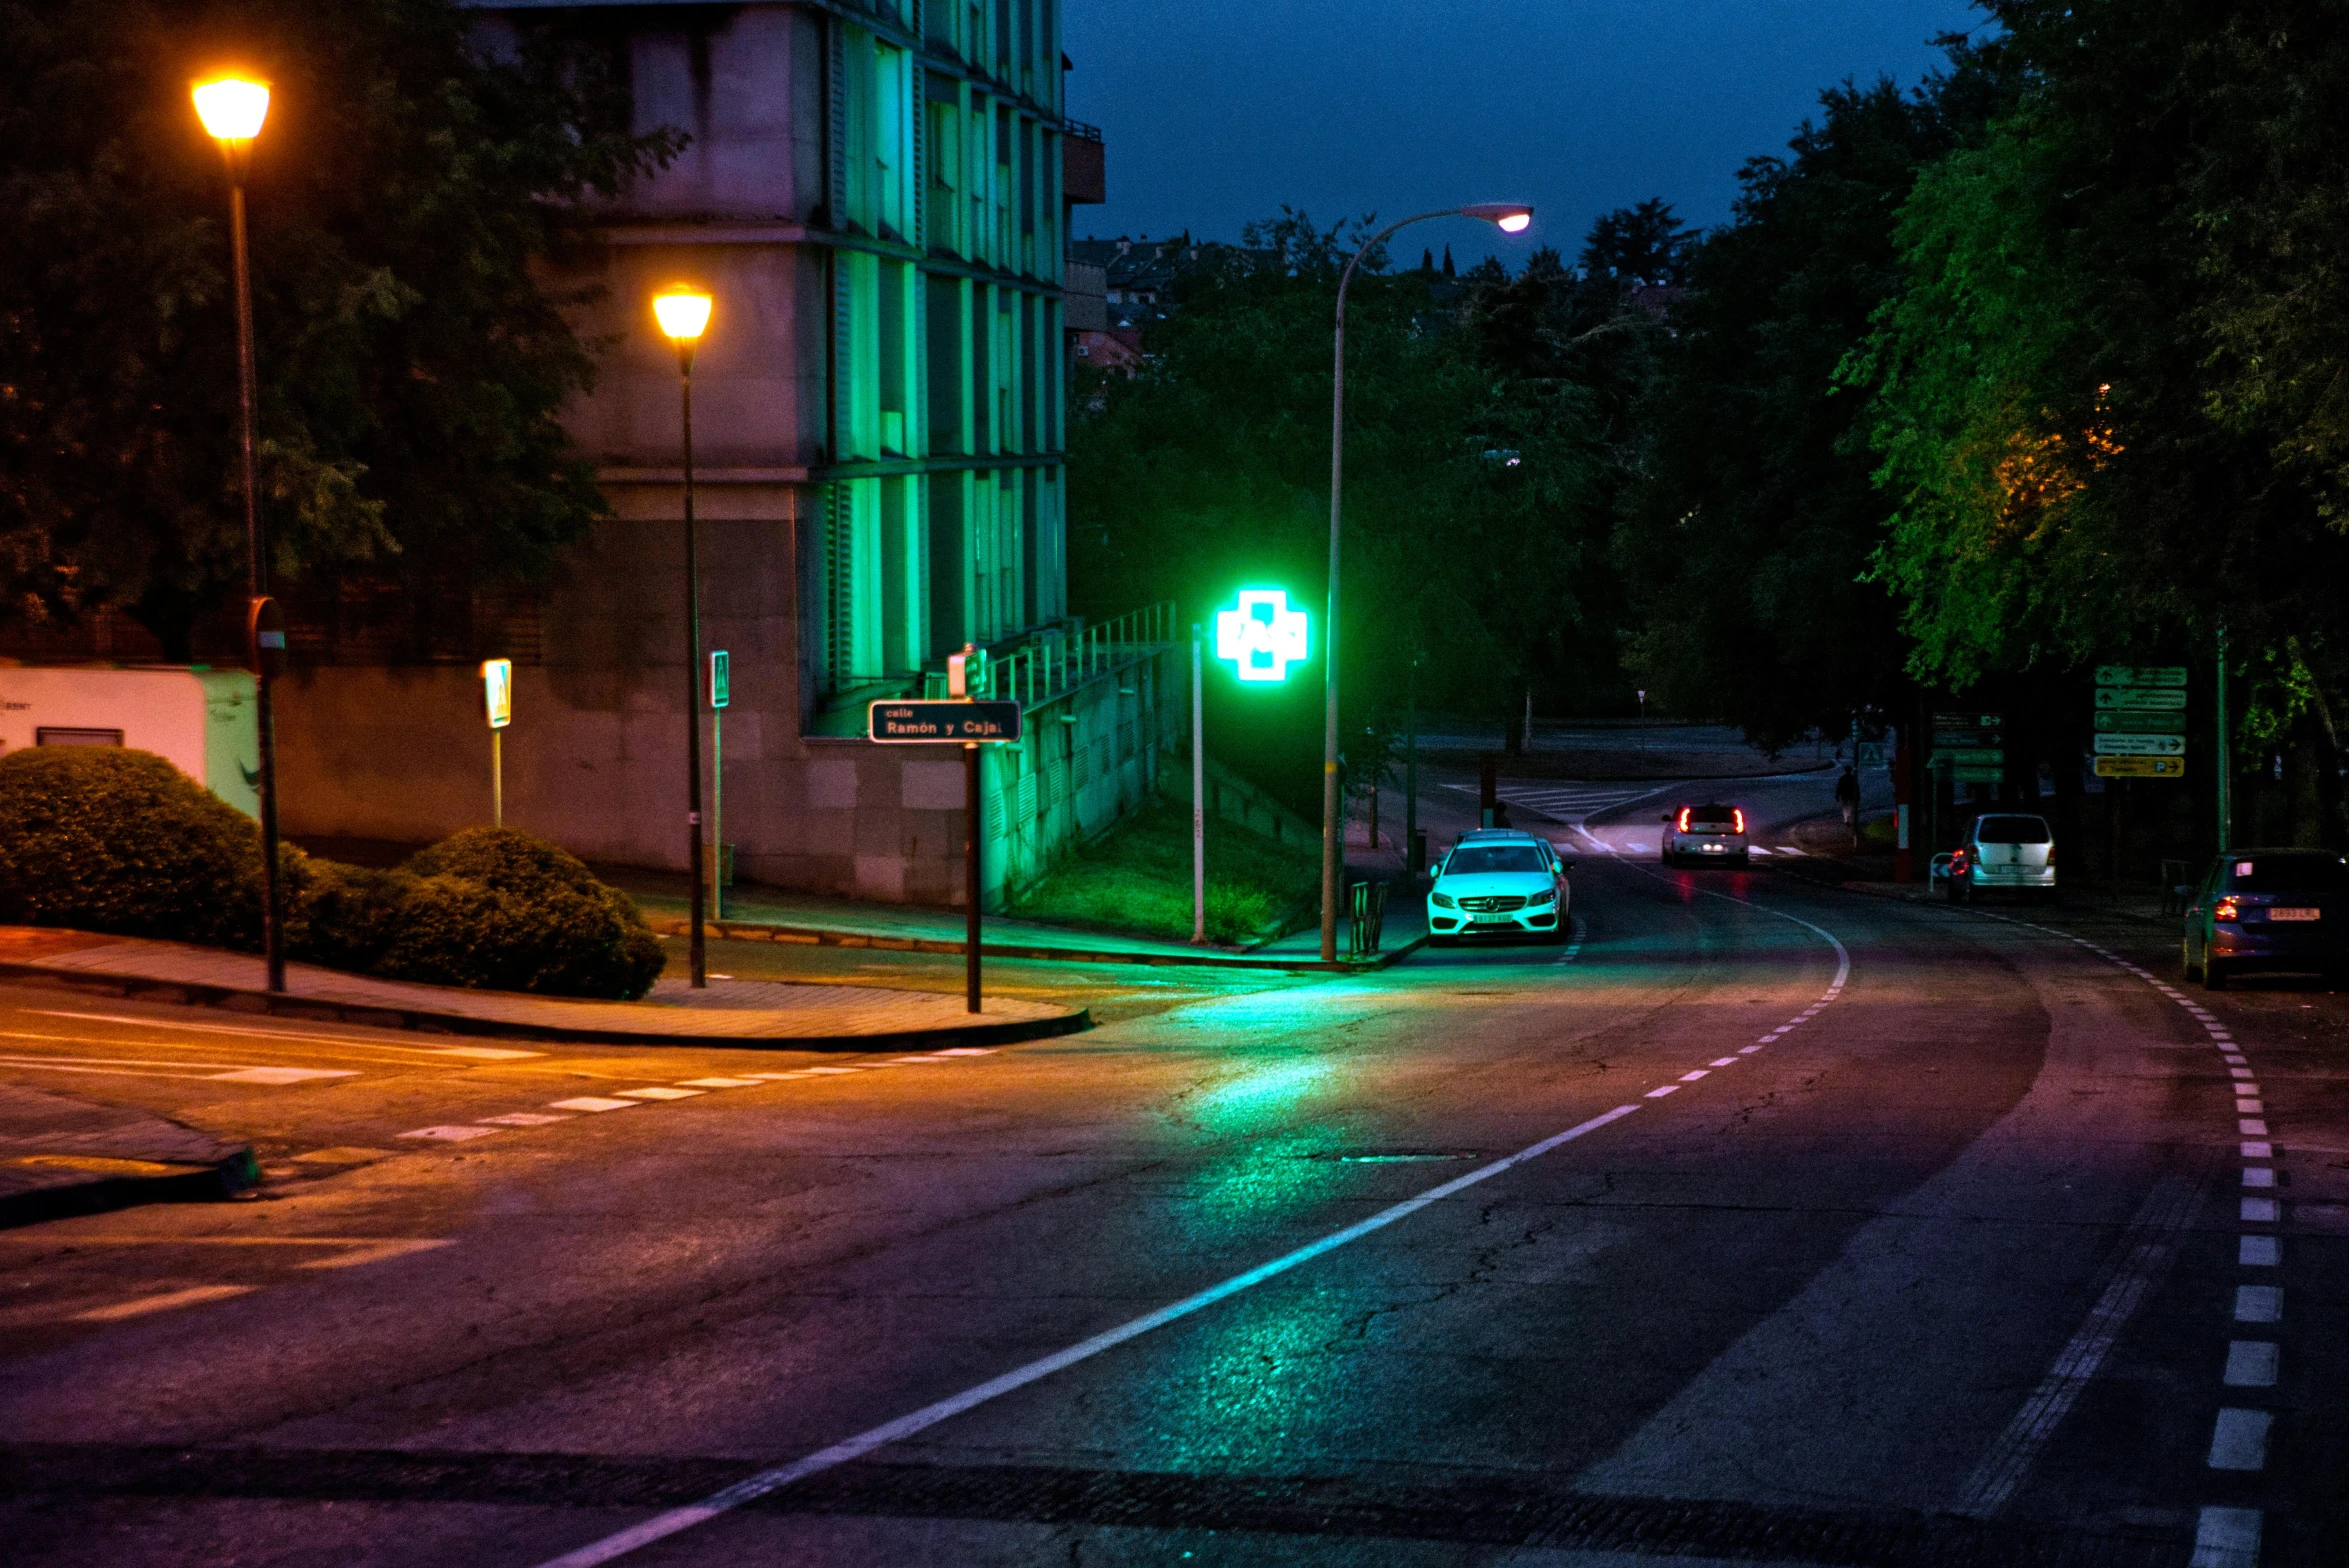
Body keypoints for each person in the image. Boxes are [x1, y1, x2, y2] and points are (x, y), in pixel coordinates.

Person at [1836, 764, 1861, 839]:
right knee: (1850, 806)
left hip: (1845, 795)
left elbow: (1839, 787)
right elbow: (1857, 787)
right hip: (1850, 795)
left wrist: (1837, 795)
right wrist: (1858, 796)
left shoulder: (1842, 778)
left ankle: (1846, 819)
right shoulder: (1853, 778)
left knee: (1845, 807)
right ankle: (1848, 818)